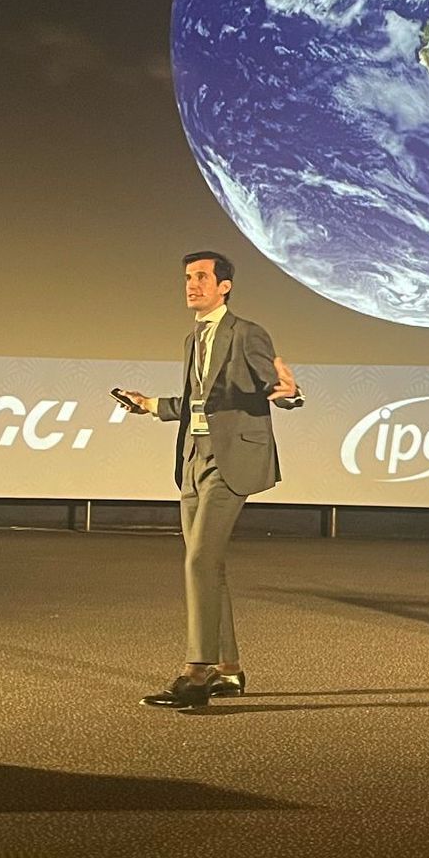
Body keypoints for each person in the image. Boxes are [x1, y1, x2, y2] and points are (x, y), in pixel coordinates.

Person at [122, 250, 300, 709]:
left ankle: (196, 672)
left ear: (225, 286)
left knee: (199, 560)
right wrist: (148, 405)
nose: (191, 284)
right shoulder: (192, 339)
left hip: (232, 460)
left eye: (202, 277)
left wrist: (291, 395)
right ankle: (230, 671)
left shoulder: (247, 333)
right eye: (187, 277)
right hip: (193, 460)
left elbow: (271, 387)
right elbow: (197, 403)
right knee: (210, 565)